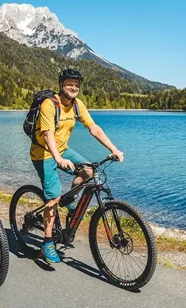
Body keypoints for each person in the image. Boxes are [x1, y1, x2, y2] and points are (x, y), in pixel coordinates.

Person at [30, 69, 124, 264]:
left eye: (77, 85)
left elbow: (94, 128)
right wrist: (57, 158)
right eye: (70, 83)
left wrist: (114, 149)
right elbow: (47, 134)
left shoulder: (77, 105)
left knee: (89, 171)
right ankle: (47, 242)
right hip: (44, 154)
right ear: (61, 84)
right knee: (53, 197)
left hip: (62, 149)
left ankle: (70, 201)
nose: (74, 87)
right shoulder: (50, 104)